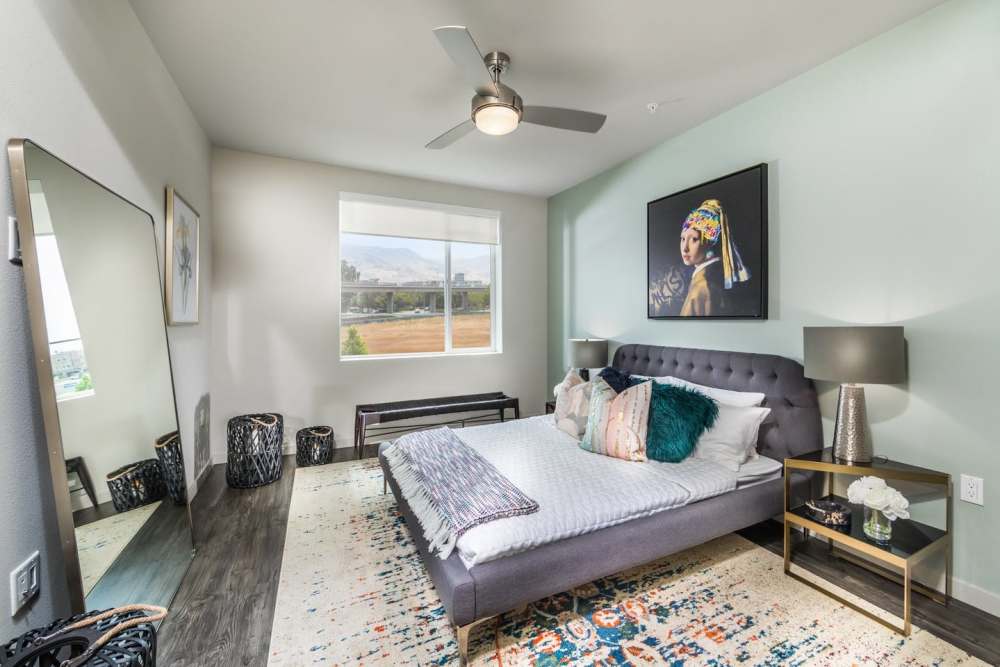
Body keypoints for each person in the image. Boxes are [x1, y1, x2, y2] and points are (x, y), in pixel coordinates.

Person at [678, 199, 750, 316]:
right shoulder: (709, 278)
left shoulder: (701, 287)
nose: (685, 248)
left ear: (709, 243)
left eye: (694, 239)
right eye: (683, 239)